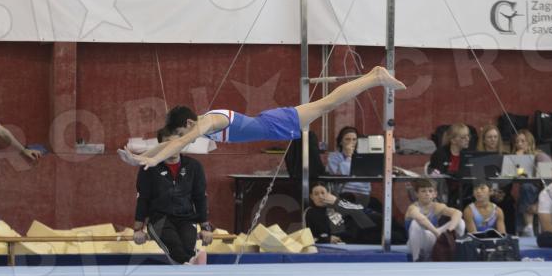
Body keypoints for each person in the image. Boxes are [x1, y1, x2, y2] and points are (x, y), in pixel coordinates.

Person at [124, 66, 404, 168]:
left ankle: (374, 77)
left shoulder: (208, 122)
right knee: (325, 105)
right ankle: (373, 77)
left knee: (327, 104)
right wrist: (141, 157)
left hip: (273, 123)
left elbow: (176, 143)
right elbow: (171, 143)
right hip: (271, 124)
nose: (182, 139)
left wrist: (153, 159)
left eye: (181, 133)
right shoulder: (200, 125)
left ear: (188, 123)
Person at [133, 128, 212, 264]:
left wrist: (205, 228)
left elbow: (200, 198)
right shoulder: (149, 167)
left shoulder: (194, 166)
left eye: (177, 142)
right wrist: (138, 229)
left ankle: (190, 262)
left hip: (187, 218)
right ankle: (192, 262)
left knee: (187, 249)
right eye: (168, 143)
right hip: (159, 219)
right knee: (175, 247)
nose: (173, 146)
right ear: (160, 145)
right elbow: (143, 198)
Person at [405, 178, 465, 262]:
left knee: (460, 222)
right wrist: (437, 233)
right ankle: (416, 259)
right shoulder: (412, 208)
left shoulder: (437, 206)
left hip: (434, 239)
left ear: (435, 194)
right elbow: (421, 218)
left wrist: (449, 231)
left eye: (430, 191)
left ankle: (454, 251)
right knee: (415, 223)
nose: (427, 194)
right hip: (417, 243)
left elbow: (458, 213)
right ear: (416, 194)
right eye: (423, 191)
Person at [305, 182, 382, 244]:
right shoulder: (310, 212)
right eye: (316, 194)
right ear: (311, 196)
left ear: (328, 194)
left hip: (354, 237)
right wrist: (327, 239)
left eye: (323, 193)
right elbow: (309, 238)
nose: (320, 196)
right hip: (338, 242)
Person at [510, 129, 551, 237]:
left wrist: (538, 204)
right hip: (529, 195)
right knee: (524, 189)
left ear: (530, 142)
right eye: (517, 142)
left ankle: (526, 228)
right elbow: (522, 177)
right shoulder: (520, 159)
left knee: (526, 187)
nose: (519, 144)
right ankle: (525, 229)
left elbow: (549, 183)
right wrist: (518, 160)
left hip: (545, 194)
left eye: (523, 141)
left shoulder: (541, 157)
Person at [326, 126, 375, 209]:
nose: (351, 142)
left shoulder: (362, 156)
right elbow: (341, 175)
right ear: (341, 142)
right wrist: (349, 157)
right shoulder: (334, 157)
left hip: (363, 194)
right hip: (343, 193)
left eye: (354, 139)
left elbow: (368, 177)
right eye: (347, 139)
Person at [427, 123, 471, 207]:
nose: (467, 139)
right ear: (453, 140)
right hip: (444, 194)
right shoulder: (440, 154)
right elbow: (439, 178)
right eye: (463, 137)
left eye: (468, 136)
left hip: (465, 194)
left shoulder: (469, 154)